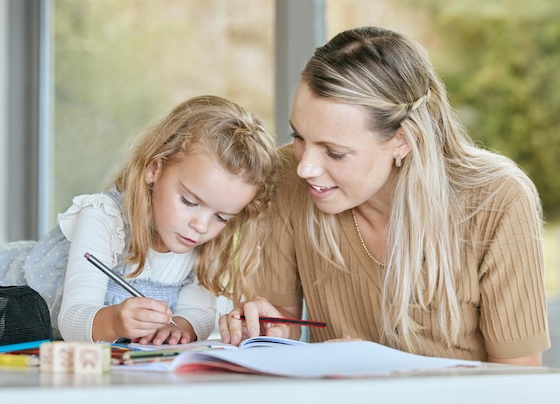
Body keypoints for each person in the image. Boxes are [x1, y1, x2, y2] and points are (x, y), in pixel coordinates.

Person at [219, 26, 550, 366]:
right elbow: (281, 326)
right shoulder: (289, 175)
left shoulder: (498, 200)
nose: (306, 167)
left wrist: (373, 370)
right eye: (299, 136)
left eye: (334, 152)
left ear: (403, 140)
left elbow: (516, 378)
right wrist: (265, 327)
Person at [0, 95, 278, 346]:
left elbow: (199, 313)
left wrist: (184, 326)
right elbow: (72, 321)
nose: (202, 226)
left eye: (221, 216)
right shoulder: (102, 217)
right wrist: (114, 319)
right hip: (4, 291)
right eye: (190, 201)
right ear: (154, 168)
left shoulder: (203, 241)